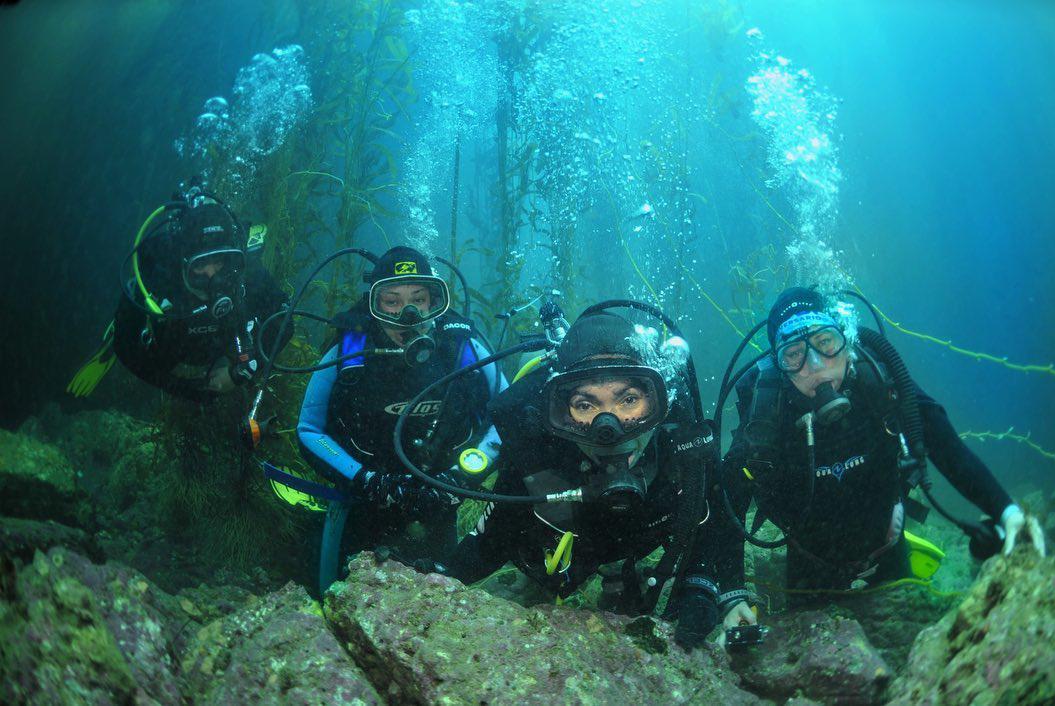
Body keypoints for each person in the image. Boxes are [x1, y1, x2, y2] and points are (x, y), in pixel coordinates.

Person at [716, 287, 1045, 608]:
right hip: (809, 560)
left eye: (825, 342)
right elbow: (731, 490)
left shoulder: (877, 381)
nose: (815, 364)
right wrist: (732, 596)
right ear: (779, 365)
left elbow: (941, 439)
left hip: (887, 542)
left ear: (846, 343)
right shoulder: (767, 412)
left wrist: (1005, 508)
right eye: (794, 354)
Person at [442, 310, 745, 649]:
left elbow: (711, 519)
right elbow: (493, 537)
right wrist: (436, 580)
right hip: (571, 554)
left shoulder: (680, 445)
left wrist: (703, 590)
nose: (610, 430)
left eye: (628, 400)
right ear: (560, 413)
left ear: (659, 402)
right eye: (585, 404)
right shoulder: (542, 454)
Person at [297, 246, 507, 594]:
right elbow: (308, 430)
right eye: (391, 301)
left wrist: (460, 477)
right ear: (373, 304)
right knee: (345, 595)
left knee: (443, 598)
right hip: (363, 500)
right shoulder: (350, 350)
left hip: (442, 495)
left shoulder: (462, 347)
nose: (406, 315)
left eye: (418, 299)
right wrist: (367, 481)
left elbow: (507, 416)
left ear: (433, 301)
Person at [112, 197, 292, 403]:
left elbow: (284, 321)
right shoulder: (160, 271)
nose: (212, 277)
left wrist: (239, 374)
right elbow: (124, 345)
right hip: (172, 348)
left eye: (218, 261)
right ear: (183, 262)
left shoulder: (244, 271)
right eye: (200, 266)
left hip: (225, 347)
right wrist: (182, 388)